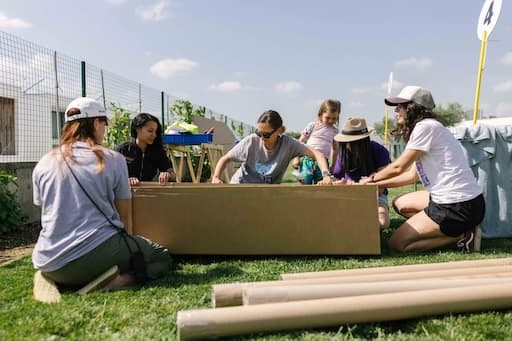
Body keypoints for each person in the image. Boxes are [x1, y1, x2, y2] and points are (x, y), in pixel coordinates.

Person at [32, 97, 172, 293]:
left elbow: (45, 209)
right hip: (92, 255)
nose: (104, 129)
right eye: (104, 123)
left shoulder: (44, 162)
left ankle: (68, 279)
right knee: (160, 256)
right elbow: (124, 216)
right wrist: (130, 251)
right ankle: (118, 281)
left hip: (47, 262)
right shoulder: (113, 158)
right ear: (97, 122)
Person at [361, 86, 485, 252]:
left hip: (457, 206)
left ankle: (462, 235)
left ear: (413, 107)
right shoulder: (428, 127)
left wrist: (372, 179)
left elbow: (398, 167)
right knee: (400, 203)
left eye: (400, 106)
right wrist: (378, 185)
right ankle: (452, 229)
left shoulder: (425, 127)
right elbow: (412, 176)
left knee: (397, 244)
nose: (396, 110)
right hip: (466, 201)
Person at [211, 110, 333, 184]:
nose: (261, 138)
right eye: (259, 133)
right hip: (241, 186)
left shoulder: (288, 144)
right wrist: (216, 177)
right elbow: (225, 159)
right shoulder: (251, 141)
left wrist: (326, 175)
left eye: (266, 134)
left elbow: (317, 154)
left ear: (279, 131)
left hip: (265, 193)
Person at [332, 117, 391, 229]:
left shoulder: (378, 150)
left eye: (352, 142)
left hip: (375, 196)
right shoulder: (343, 155)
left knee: (382, 223)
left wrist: (356, 186)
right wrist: (338, 184)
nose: (348, 145)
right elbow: (335, 178)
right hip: (348, 196)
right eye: (346, 142)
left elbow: (382, 186)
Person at [115, 113, 173, 186]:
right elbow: (110, 173)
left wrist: (167, 174)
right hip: (124, 191)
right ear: (138, 129)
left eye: (156, 132)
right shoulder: (123, 149)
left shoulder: (157, 151)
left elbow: (170, 171)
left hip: (147, 191)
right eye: (150, 131)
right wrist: (125, 179)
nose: (154, 135)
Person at [293, 99, 340, 184]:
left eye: (334, 118)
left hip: (323, 164)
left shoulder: (335, 131)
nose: (330, 121)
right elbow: (300, 141)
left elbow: (336, 149)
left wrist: (333, 165)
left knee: (322, 185)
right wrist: (296, 158)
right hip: (307, 161)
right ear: (321, 114)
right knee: (304, 182)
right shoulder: (312, 126)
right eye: (327, 118)